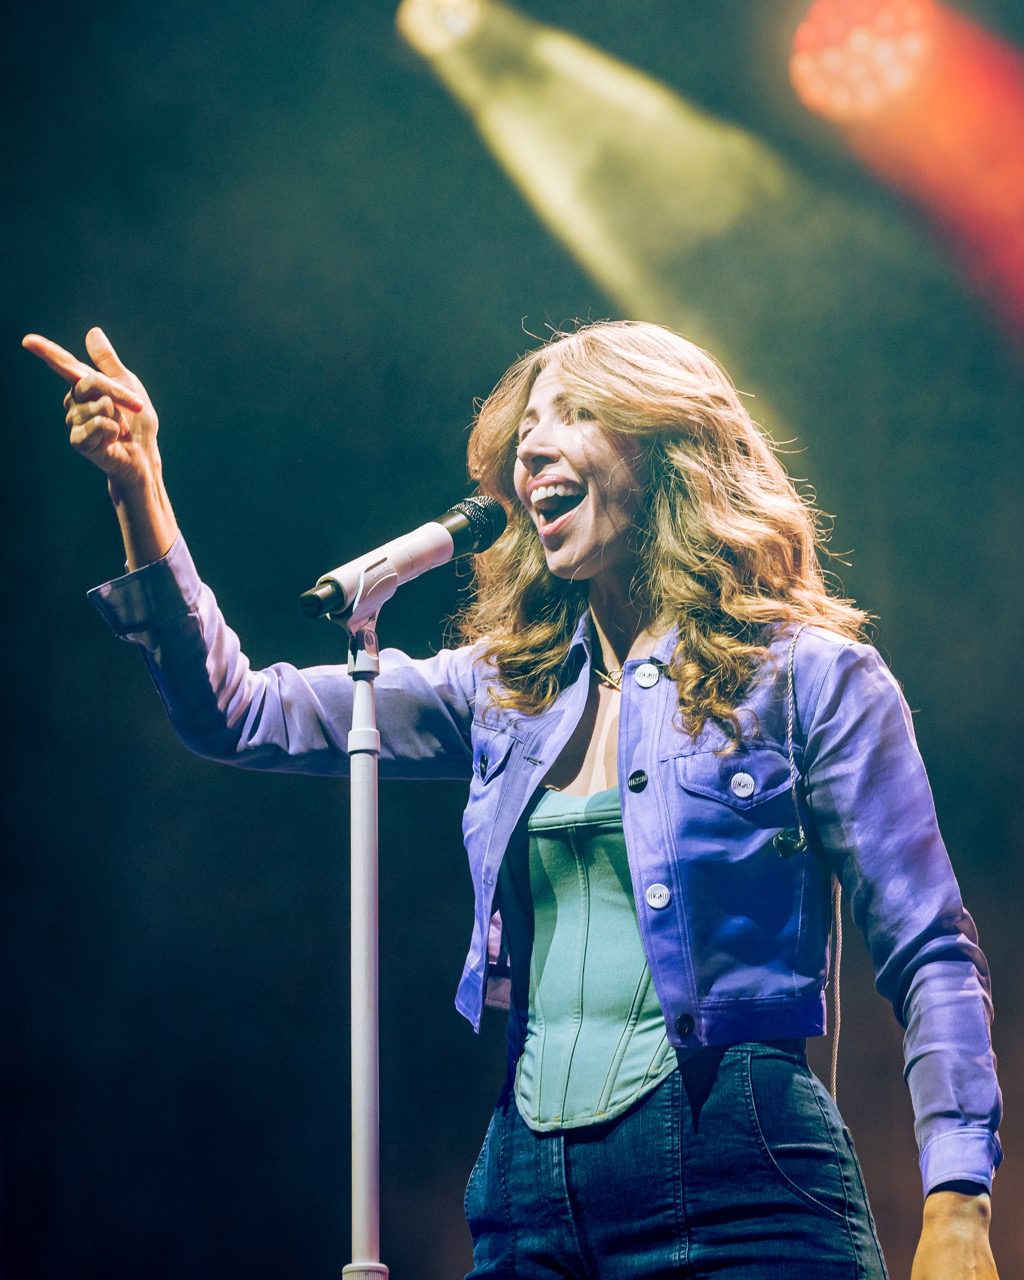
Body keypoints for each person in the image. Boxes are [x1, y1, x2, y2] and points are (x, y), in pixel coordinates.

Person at [24, 321, 1001, 1279]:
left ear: (670, 450)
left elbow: (928, 946)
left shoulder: (810, 677)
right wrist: (139, 487)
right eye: (526, 428)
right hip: (526, 1196)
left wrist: (956, 1197)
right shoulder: (504, 691)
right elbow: (240, 714)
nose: (532, 444)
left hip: (738, 1180)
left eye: (573, 414)